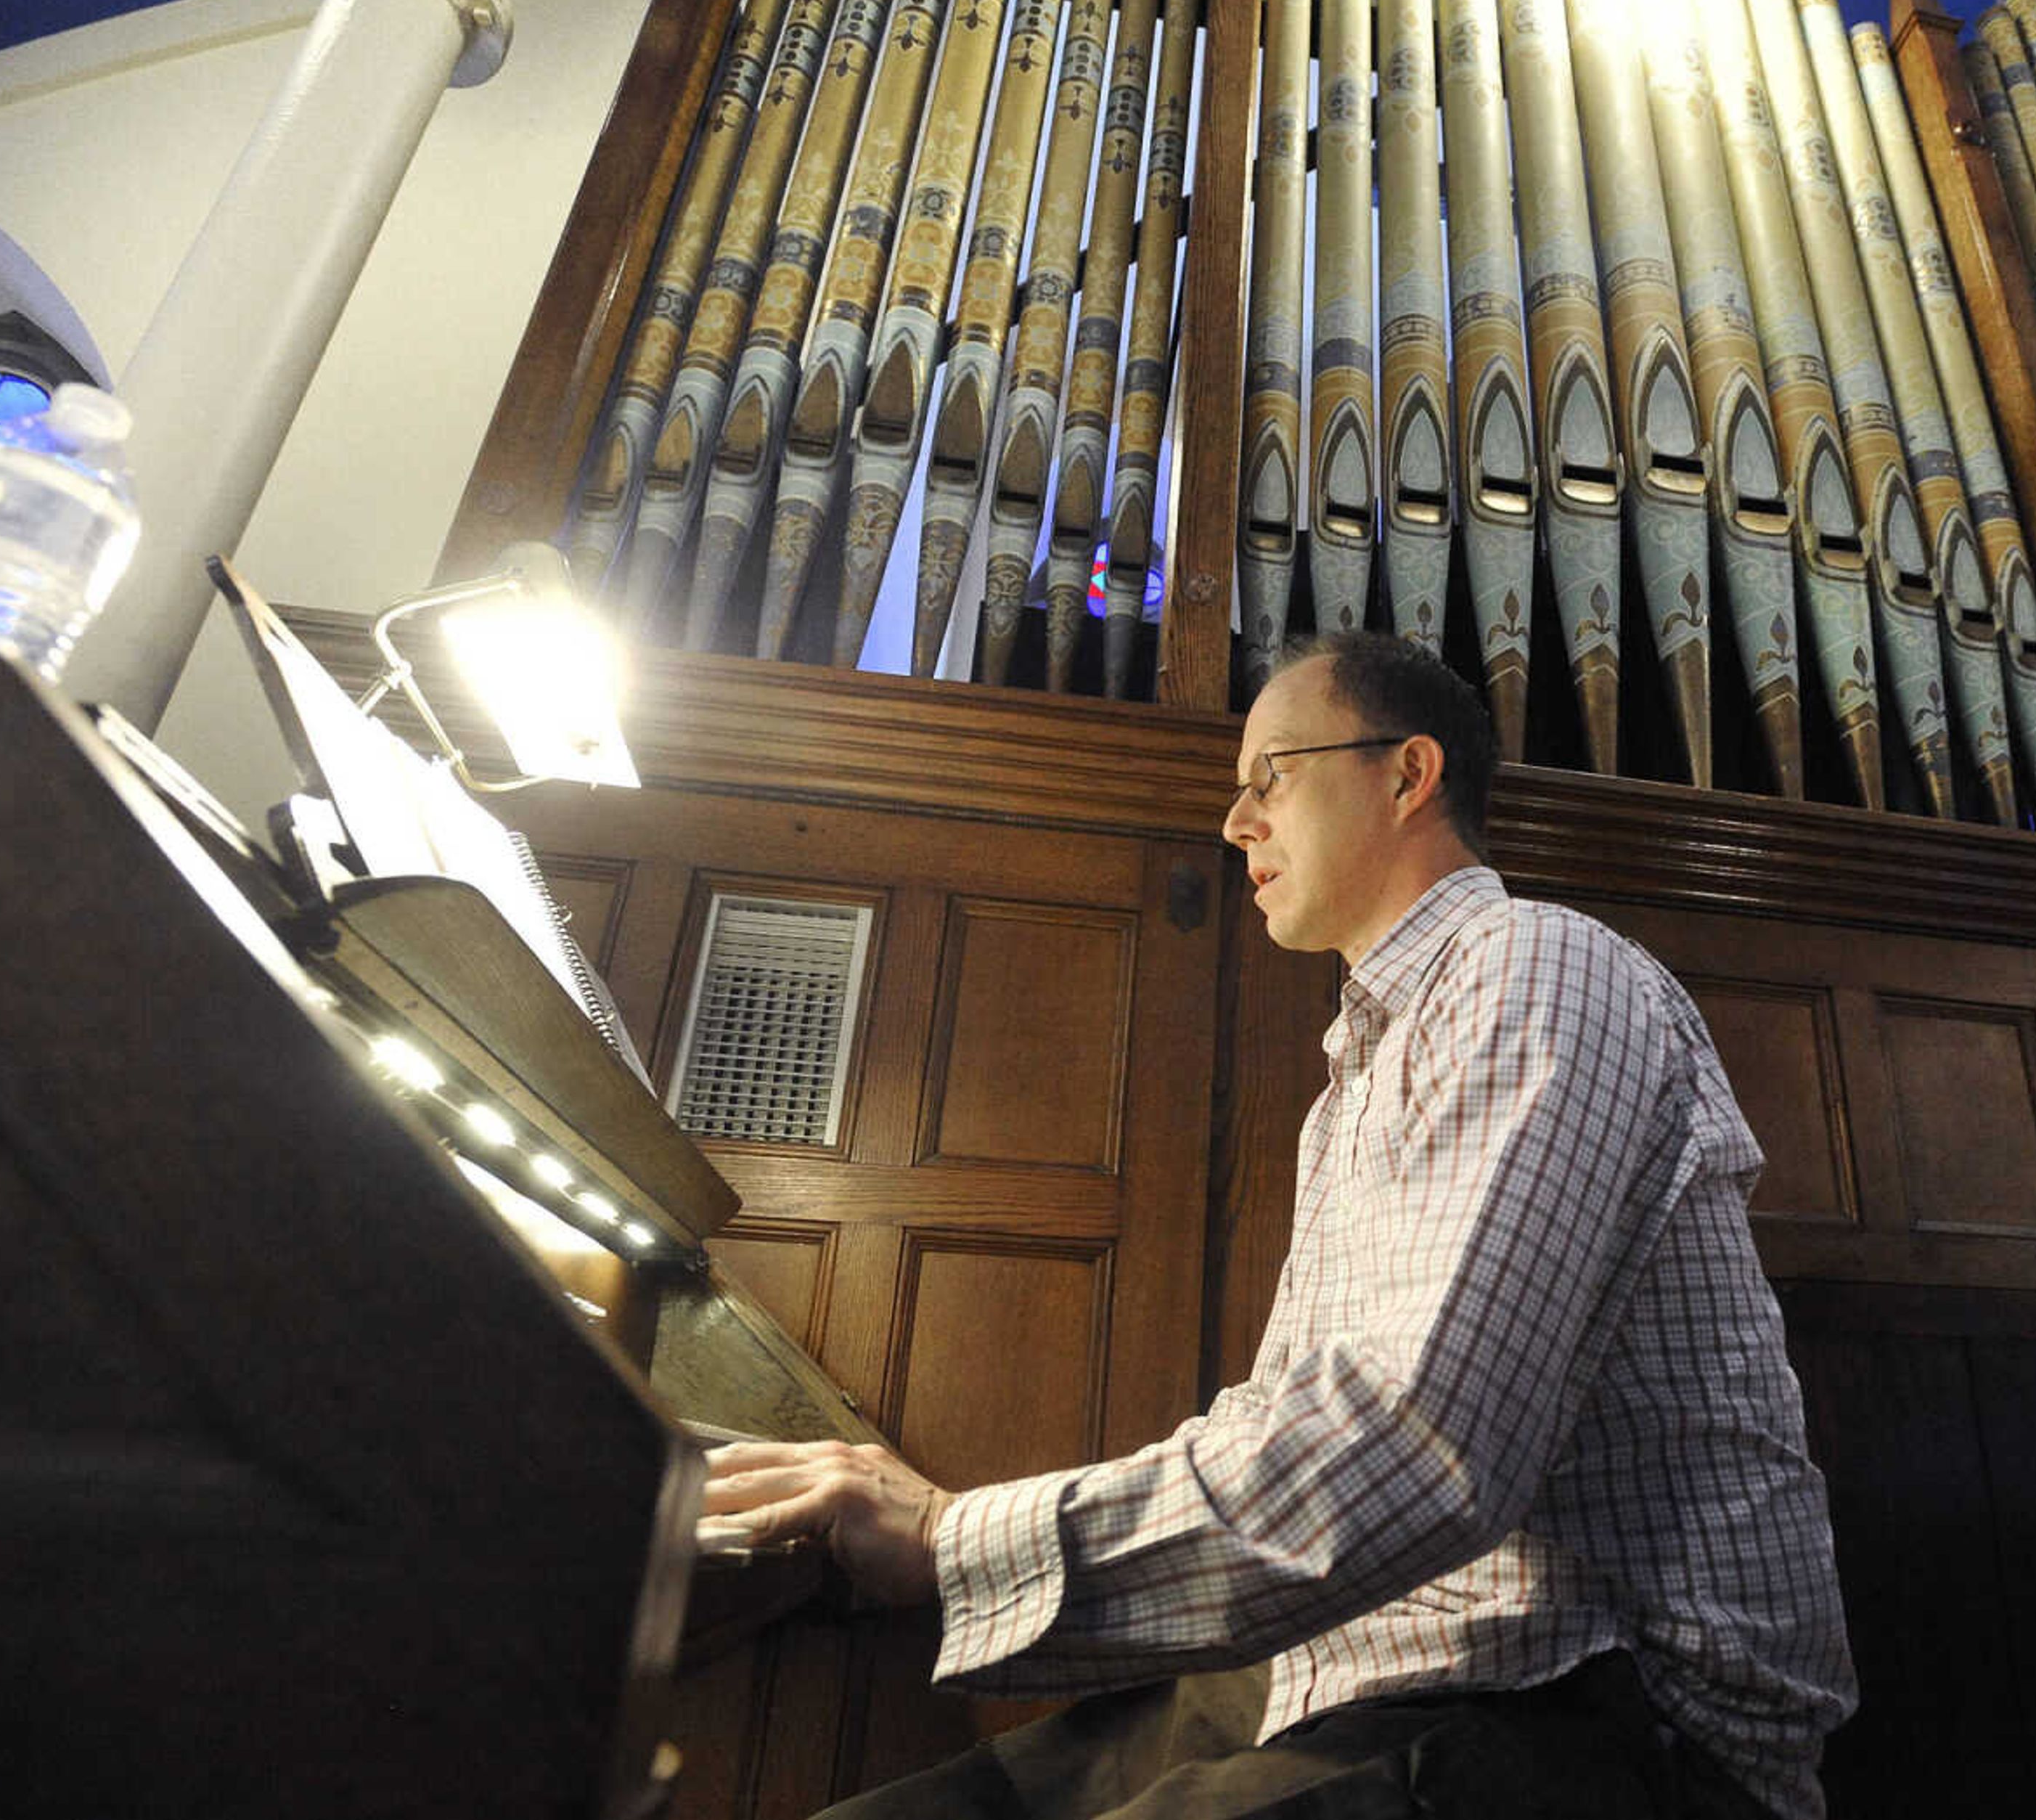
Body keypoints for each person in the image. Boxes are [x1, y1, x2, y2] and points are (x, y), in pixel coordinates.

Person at [700, 631, 1855, 1818]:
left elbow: (1421, 1446)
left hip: (1613, 1704)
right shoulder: (1364, 1073)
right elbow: (1293, 1423)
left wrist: (951, 1539)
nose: (1234, 825)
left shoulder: (1536, 967)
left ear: (1408, 776)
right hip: (1368, 1654)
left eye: (1270, 778)